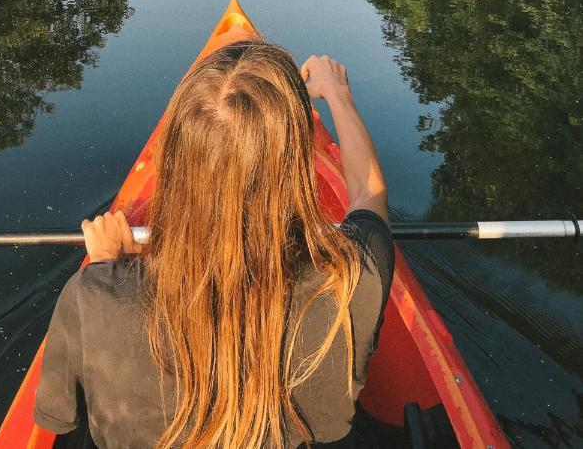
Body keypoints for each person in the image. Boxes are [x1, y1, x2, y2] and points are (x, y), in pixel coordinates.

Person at [34, 42, 394, 448]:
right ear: (294, 168)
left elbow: (64, 421)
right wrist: (338, 93)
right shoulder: (355, 279)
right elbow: (368, 193)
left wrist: (105, 265)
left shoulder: (93, 296)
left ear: (174, 159)